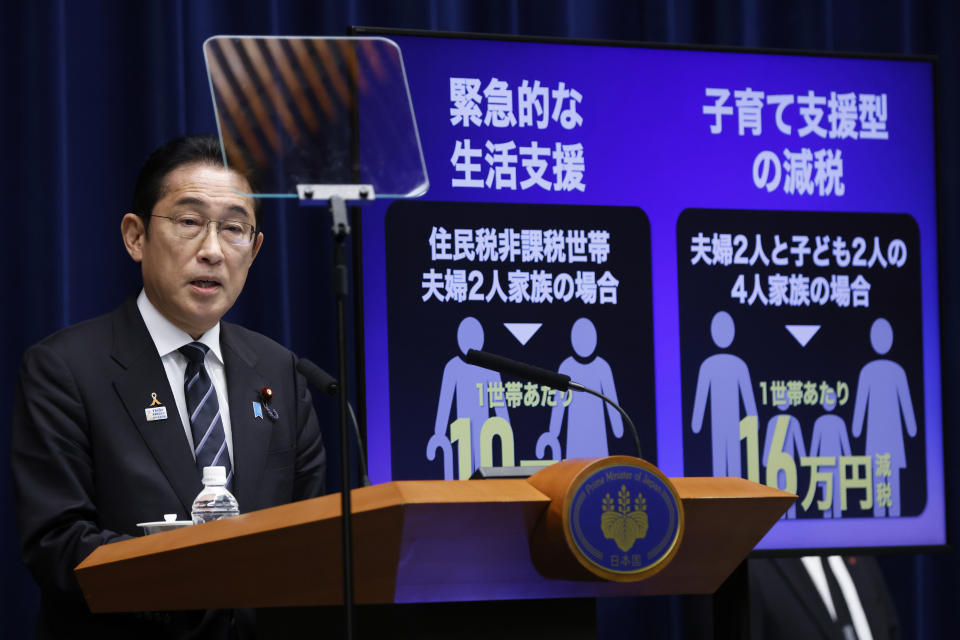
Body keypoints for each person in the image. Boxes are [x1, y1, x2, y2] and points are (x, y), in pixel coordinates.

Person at [10, 135, 327, 638]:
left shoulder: (282, 372)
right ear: (136, 237)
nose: (213, 251)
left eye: (234, 229)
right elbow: (58, 544)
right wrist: (196, 588)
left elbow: (311, 536)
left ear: (256, 248)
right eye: (188, 222)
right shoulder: (64, 369)